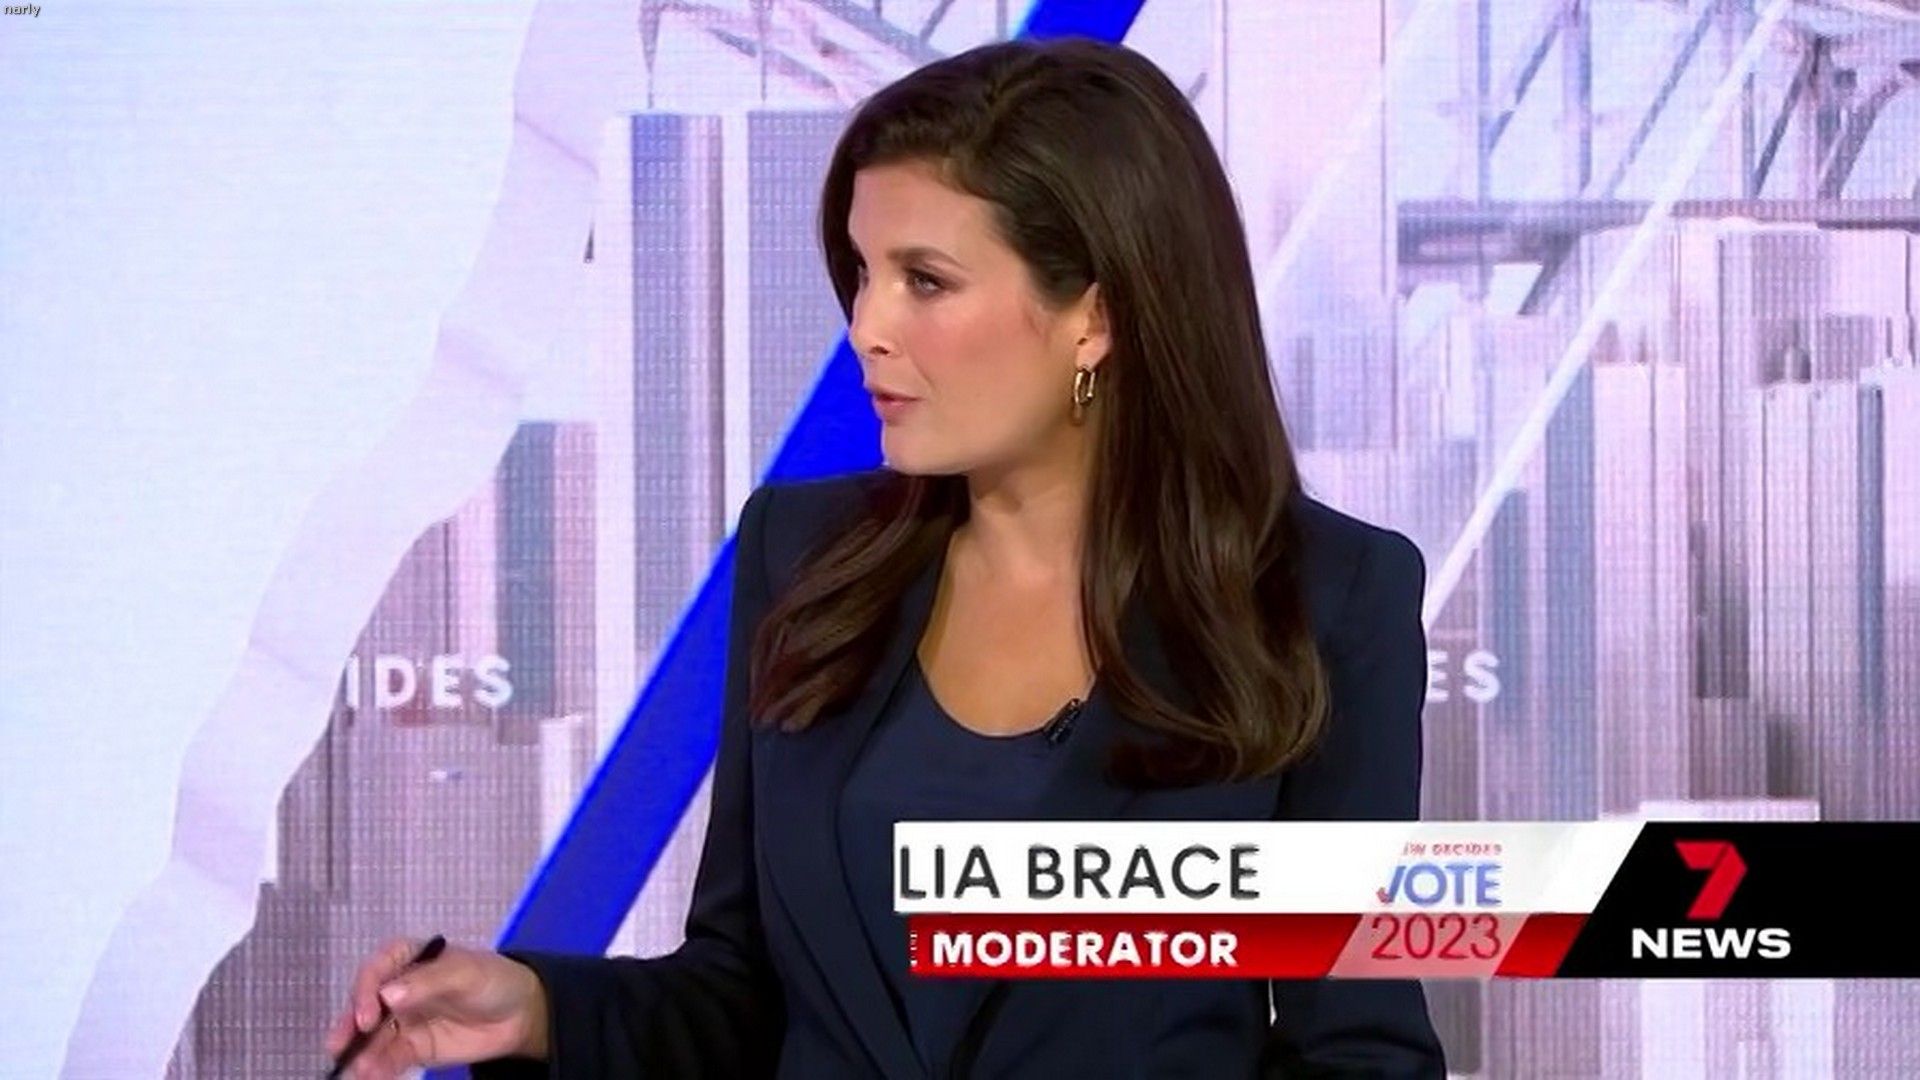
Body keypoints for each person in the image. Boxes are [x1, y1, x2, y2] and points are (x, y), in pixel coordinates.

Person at [325, 35, 1446, 1079]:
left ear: (1094, 318)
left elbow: (1359, 1055)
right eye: (861, 273)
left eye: (926, 280)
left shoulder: (1323, 601)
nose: (869, 326)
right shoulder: (804, 558)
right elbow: (740, 996)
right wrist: (538, 1009)